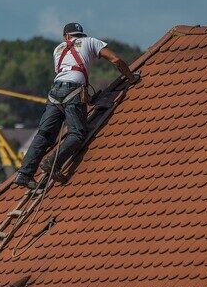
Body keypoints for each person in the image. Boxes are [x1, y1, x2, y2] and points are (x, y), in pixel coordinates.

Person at [14, 22, 139, 189]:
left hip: (54, 93)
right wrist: (131, 77)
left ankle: (24, 173)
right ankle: (53, 162)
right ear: (81, 34)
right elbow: (116, 60)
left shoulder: (57, 49)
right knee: (77, 133)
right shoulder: (91, 41)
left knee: (44, 134)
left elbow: (65, 72)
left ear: (66, 36)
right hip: (73, 91)